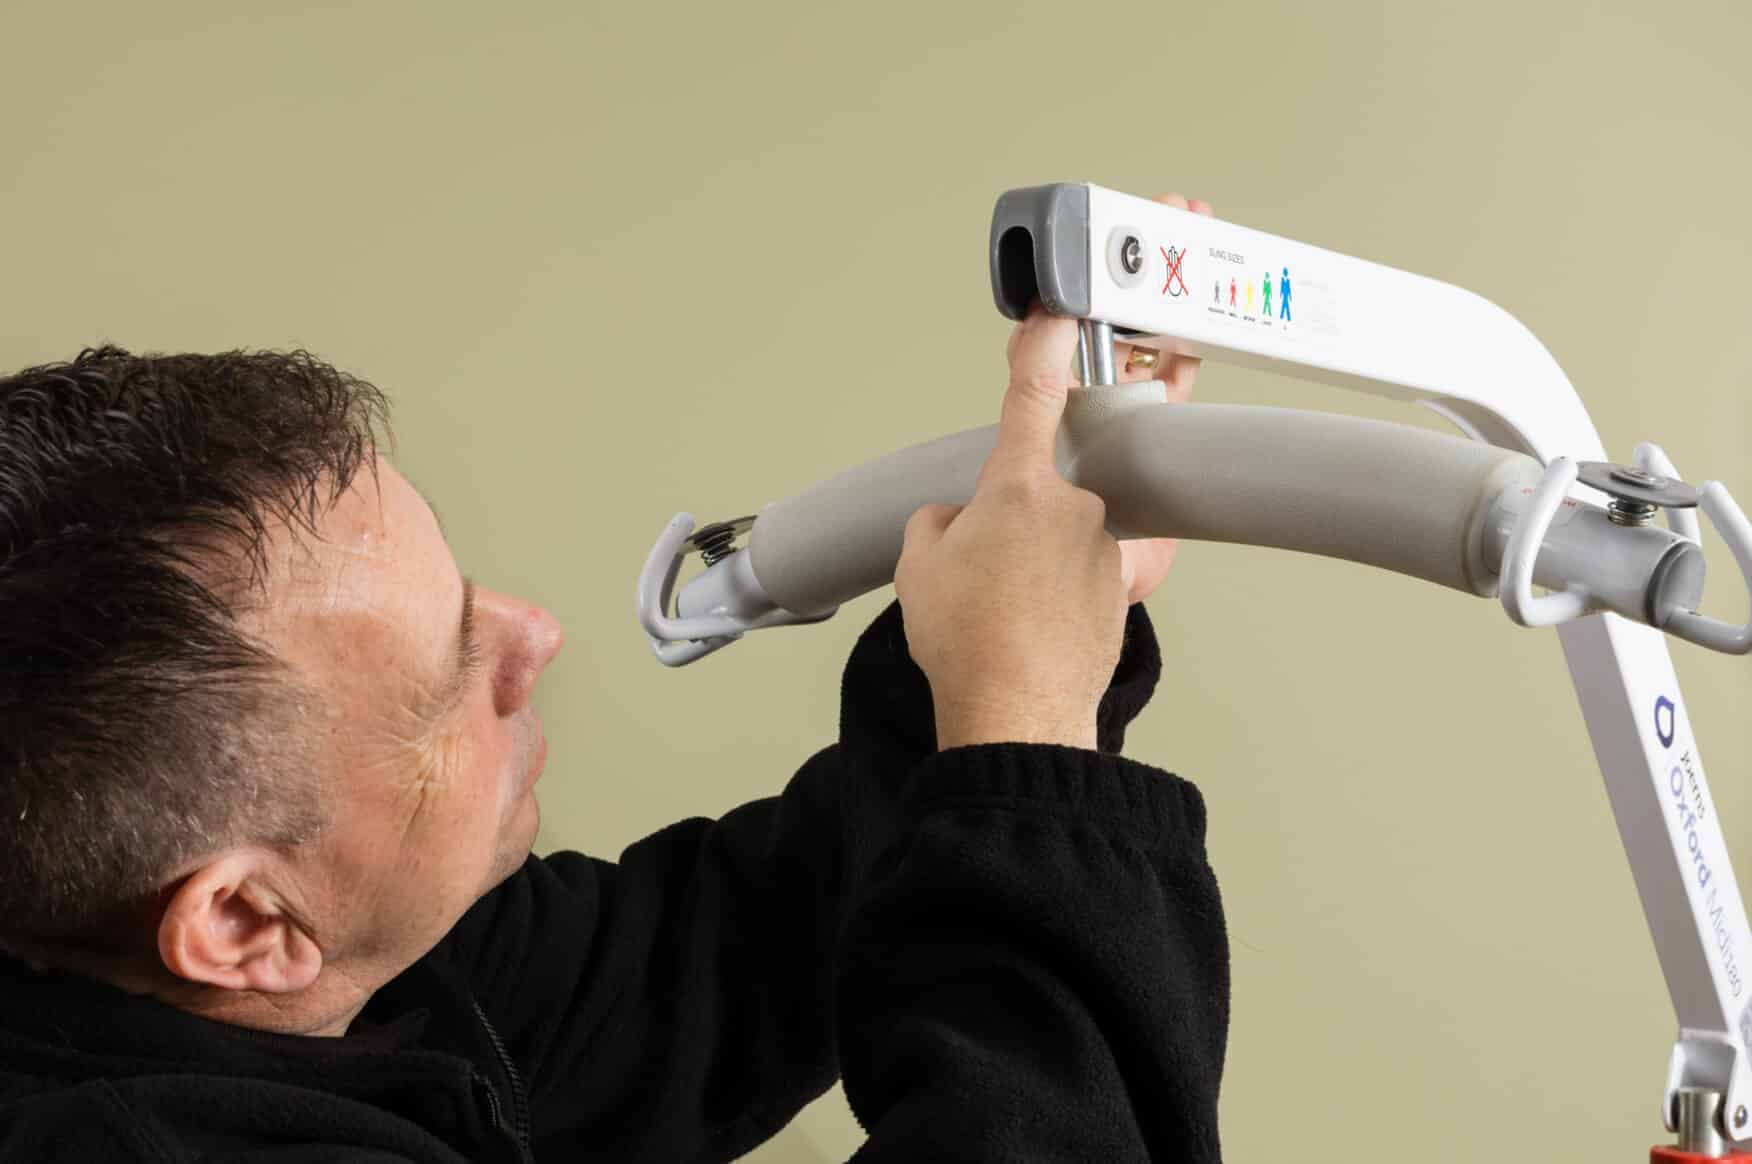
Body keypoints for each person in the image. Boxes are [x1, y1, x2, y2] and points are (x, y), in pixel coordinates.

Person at [0, 195, 1230, 1162]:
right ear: (244, 925)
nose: (536, 636)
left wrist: (1010, 655)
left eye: (467, 592)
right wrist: (1027, 729)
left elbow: (720, 971)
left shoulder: (356, 962)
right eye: (447, 670)